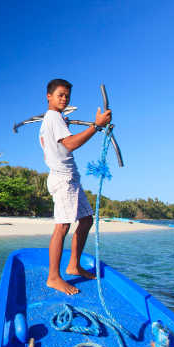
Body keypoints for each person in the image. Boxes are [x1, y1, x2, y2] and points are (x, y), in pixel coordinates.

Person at [39, 79, 111, 295]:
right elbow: (71, 144)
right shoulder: (53, 118)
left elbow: (61, 142)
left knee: (86, 219)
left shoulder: (53, 120)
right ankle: (53, 277)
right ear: (48, 96)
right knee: (62, 227)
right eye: (60, 94)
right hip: (63, 179)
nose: (64, 98)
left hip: (71, 177)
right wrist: (96, 126)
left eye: (67, 96)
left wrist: (66, 126)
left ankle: (74, 265)